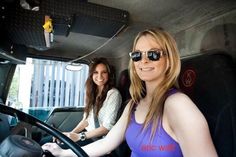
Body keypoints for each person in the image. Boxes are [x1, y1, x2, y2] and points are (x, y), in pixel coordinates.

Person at [42, 28, 218, 157]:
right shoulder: (133, 104)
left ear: (169, 60)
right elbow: (107, 143)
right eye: (137, 55)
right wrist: (64, 153)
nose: (144, 61)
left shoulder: (178, 105)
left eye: (154, 54)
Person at [41, 57, 122, 148]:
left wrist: (80, 136)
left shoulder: (113, 94)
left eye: (104, 72)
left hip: (100, 141)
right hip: (88, 136)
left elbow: (107, 128)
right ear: (91, 75)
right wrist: (70, 134)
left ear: (109, 75)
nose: (99, 76)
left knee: (53, 147)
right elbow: (86, 121)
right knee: (45, 141)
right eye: (96, 72)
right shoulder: (92, 93)